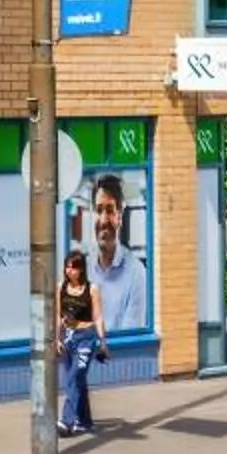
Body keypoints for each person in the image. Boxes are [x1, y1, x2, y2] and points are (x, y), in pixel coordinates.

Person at [84, 174, 147, 333]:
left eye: (110, 210)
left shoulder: (136, 273)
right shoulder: (82, 270)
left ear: (120, 216)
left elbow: (128, 340)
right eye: (99, 210)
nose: (104, 220)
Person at [57, 249, 100, 435]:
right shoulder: (60, 287)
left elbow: (98, 317)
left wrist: (103, 342)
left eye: (74, 267)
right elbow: (58, 316)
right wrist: (57, 338)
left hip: (86, 338)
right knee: (76, 380)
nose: (69, 271)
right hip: (68, 338)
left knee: (74, 377)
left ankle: (66, 421)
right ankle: (85, 421)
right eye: (67, 267)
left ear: (81, 269)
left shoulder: (92, 289)